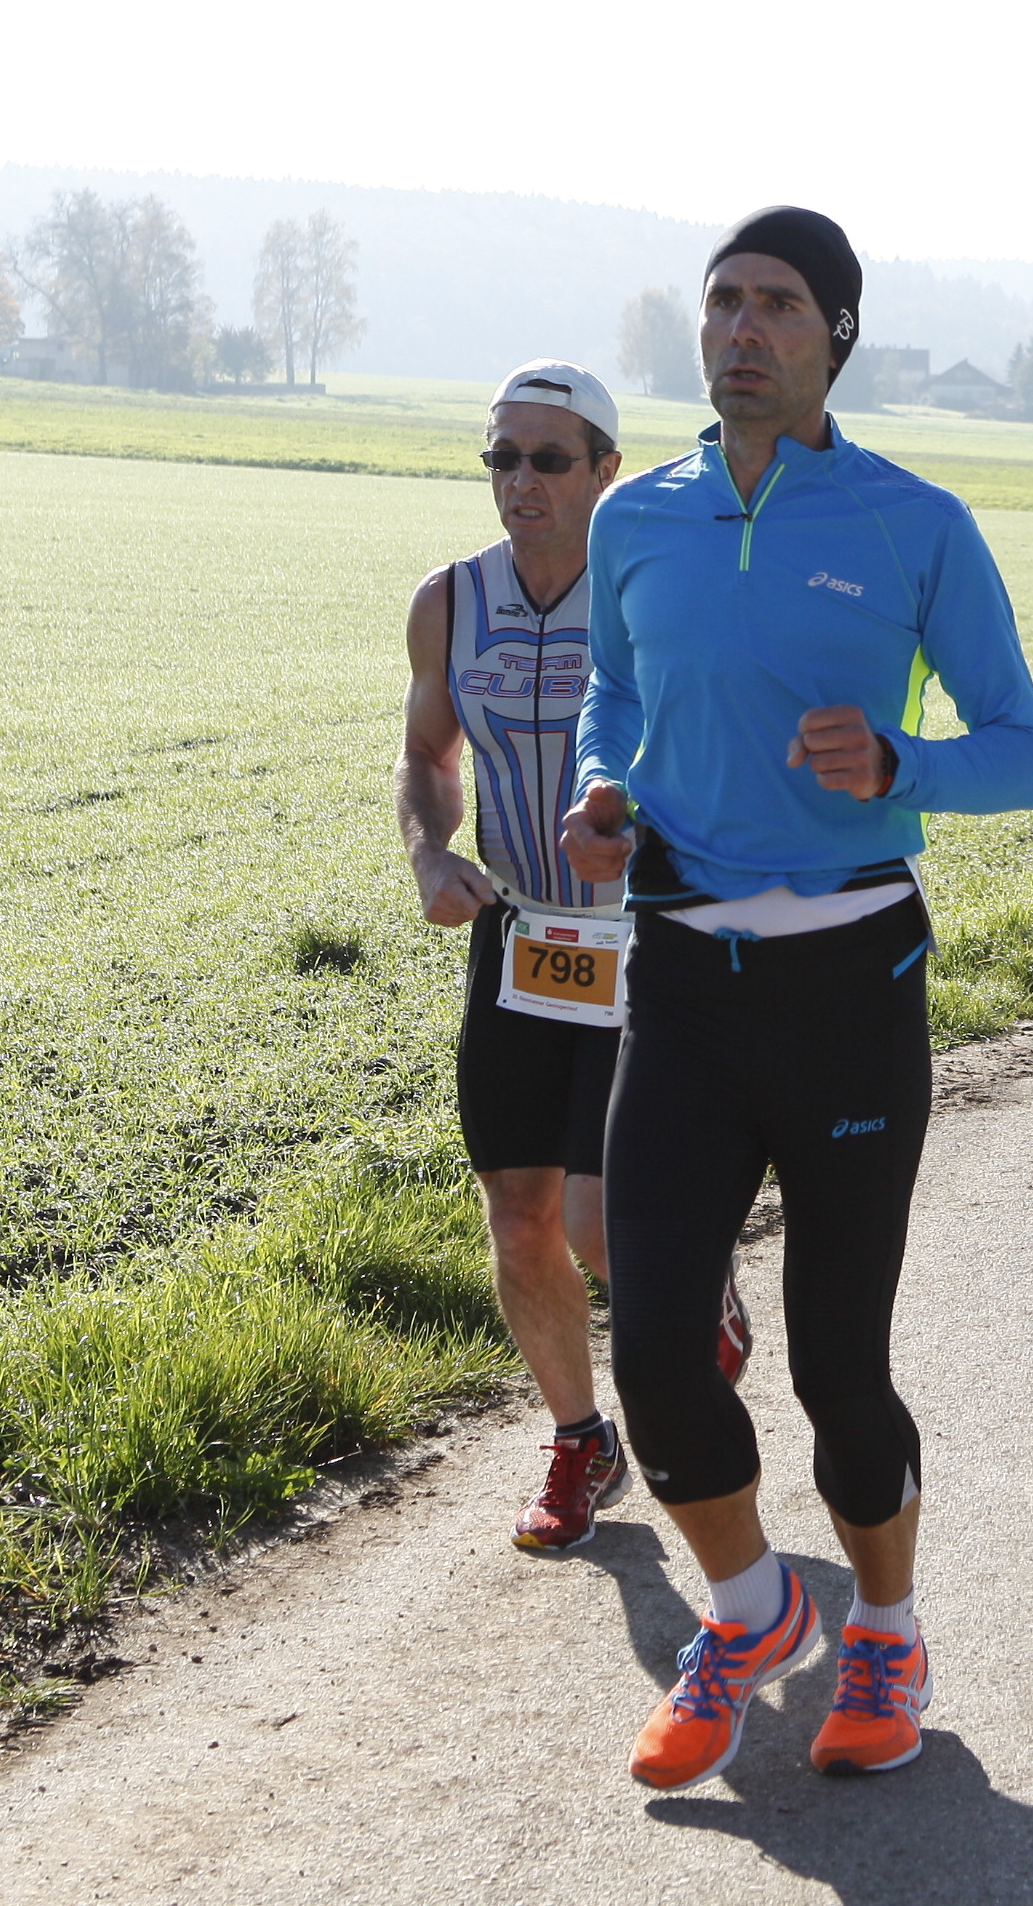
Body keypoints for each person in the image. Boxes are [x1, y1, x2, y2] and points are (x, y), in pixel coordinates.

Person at [561, 208, 1033, 1791]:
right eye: (723, 303)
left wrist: (903, 762)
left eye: (777, 305)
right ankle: (752, 1611)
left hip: (852, 981)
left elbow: (1026, 751)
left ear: (836, 338)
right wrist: (601, 787)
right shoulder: (639, 517)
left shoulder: (916, 524)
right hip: (682, 979)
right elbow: (616, 690)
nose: (742, 330)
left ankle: (888, 1633)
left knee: (838, 1361)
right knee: (654, 1351)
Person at [396, 361, 751, 1557]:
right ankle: (578, 1437)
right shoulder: (449, 600)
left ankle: (696, 1294)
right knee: (519, 1217)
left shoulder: (655, 593)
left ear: (607, 468)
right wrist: (429, 852)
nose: (521, 480)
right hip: (518, 940)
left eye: (550, 458)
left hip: (643, 938)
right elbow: (427, 755)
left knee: (601, 1224)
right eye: (502, 457)